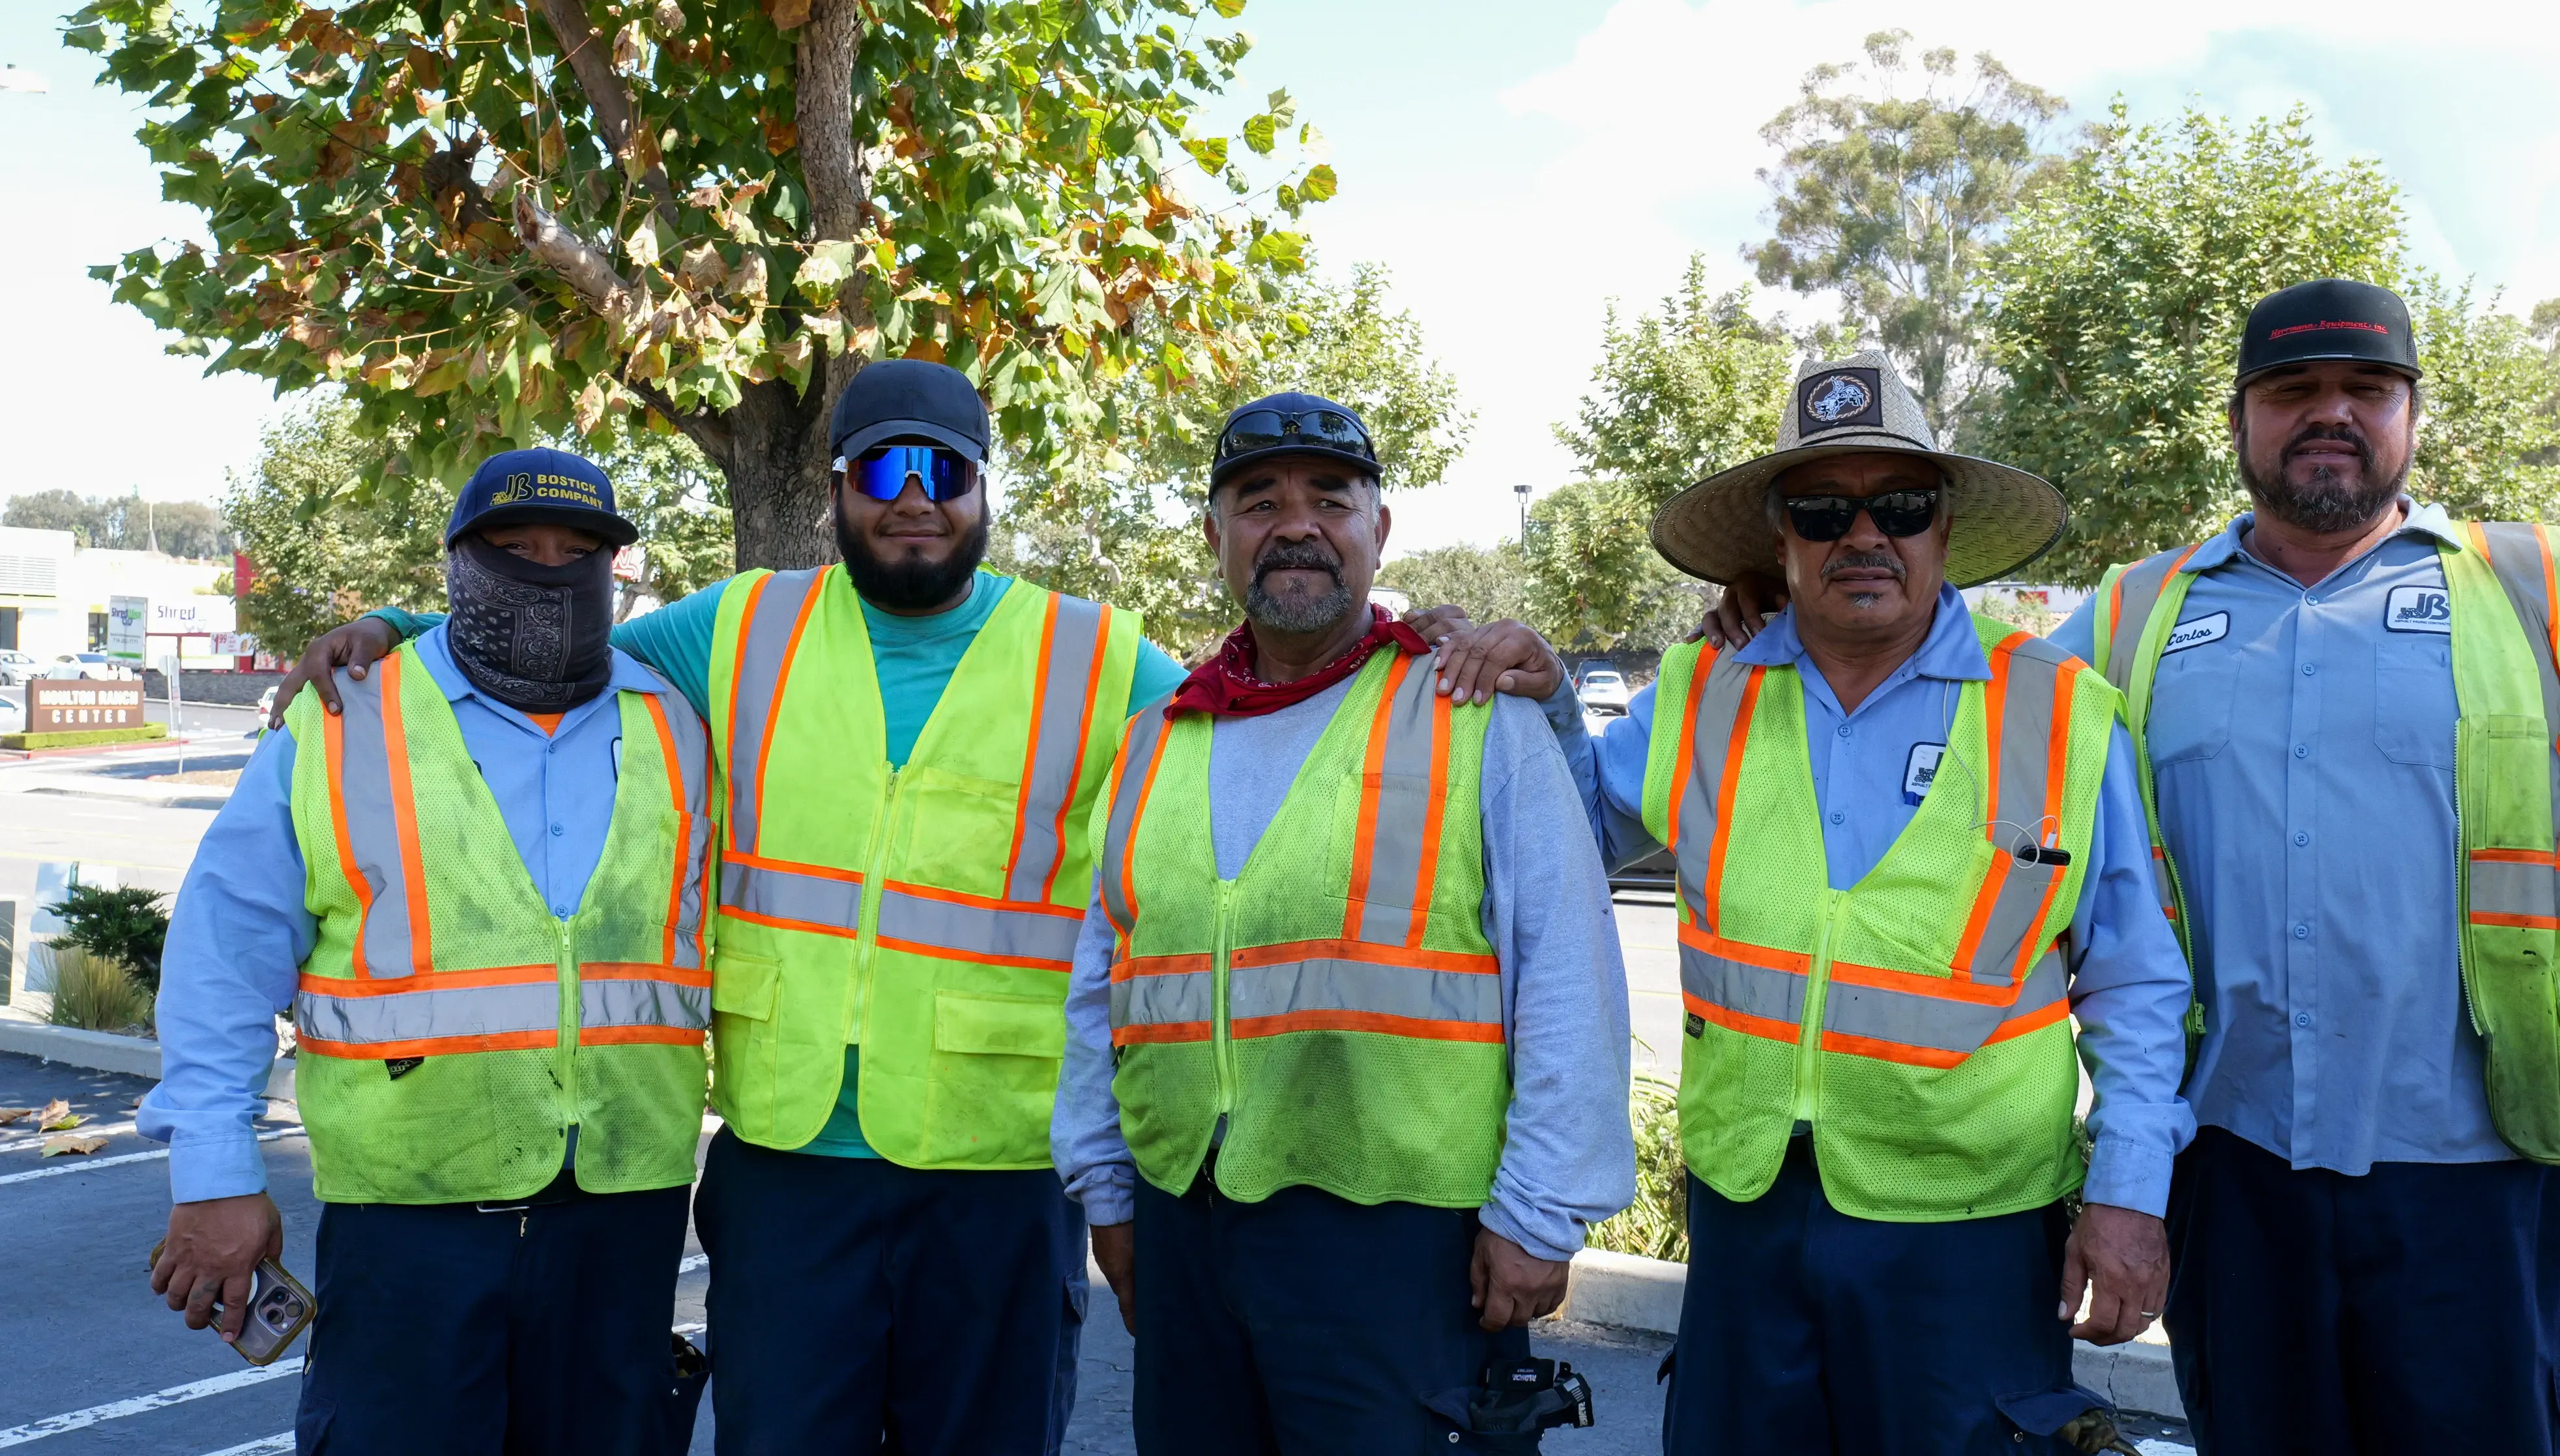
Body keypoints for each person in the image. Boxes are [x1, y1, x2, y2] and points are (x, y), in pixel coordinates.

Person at [272, 368, 1535, 1453]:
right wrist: (404, 626)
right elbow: (552, 632)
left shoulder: (1093, 658)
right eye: (882, 472)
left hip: (994, 1183)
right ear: (837, 492)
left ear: (986, 491)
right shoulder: (740, 627)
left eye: (946, 469)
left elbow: (1281, 682)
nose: (916, 494)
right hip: (786, 1182)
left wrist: (1434, 638)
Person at [2067, 280, 2560, 1454]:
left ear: (2411, 418)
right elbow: (1970, 710)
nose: (2329, 414)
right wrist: (1785, 597)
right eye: (2292, 391)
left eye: (2366, 390)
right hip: (2234, 1176)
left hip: (2473, 1180)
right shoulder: (2130, 618)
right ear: (2239, 421)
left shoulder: (2529, 598)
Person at [1580, 351, 2198, 1454]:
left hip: (1970, 1237)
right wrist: (1493, 677)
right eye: (1823, 510)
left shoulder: (2060, 713)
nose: (1863, 536)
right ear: (1780, 542)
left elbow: (2135, 982)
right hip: (1748, 1215)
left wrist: (2129, 1193)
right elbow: (1547, 842)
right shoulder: (1697, 693)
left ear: (1944, 529)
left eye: (1898, 506)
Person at [1051, 394, 1637, 1455]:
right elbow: (1107, 981)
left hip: (1405, 1240)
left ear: (1379, 530)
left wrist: (1541, 1211)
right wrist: (1105, 1186)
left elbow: (1568, 968)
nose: (1296, 524)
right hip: (1188, 1222)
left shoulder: (1472, 714)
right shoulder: (1157, 740)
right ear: (1215, 536)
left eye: (1331, 498)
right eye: (1259, 501)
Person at [142, 450, 713, 1455]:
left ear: (615, 571)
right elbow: (221, 958)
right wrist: (215, 1170)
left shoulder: (677, 719)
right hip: (410, 1231)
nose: (549, 571)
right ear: (457, 564)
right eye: (515, 549)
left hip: (621, 1226)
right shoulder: (343, 718)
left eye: (579, 553)